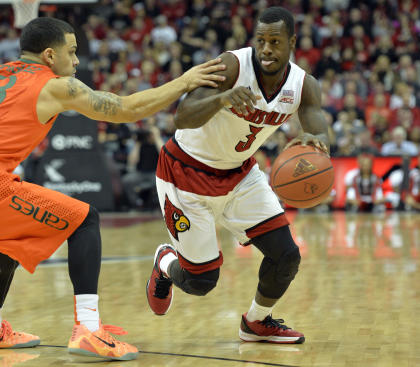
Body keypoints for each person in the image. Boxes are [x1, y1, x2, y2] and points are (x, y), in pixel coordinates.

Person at [0, 17, 225, 360]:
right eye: (72, 52)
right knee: (84, 218)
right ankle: (88, 329)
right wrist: (184, 81)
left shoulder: (5, 72)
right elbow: (125, 109)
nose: (76, 61)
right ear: (49, 55)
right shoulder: (56, 86)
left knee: (9, 240)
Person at [146, 7, 329, 344]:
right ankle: (165, 261)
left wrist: (316, 143)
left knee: (286, 255)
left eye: (275, 42)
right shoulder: (232, 66)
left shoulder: (304, 85)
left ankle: (256, 322)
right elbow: (182, 117)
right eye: (260, 41)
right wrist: (222, 98)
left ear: (292, 42)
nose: (266, 49)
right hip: (186, 173)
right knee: (201, 282)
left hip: (240, 175)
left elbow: (318, 126)